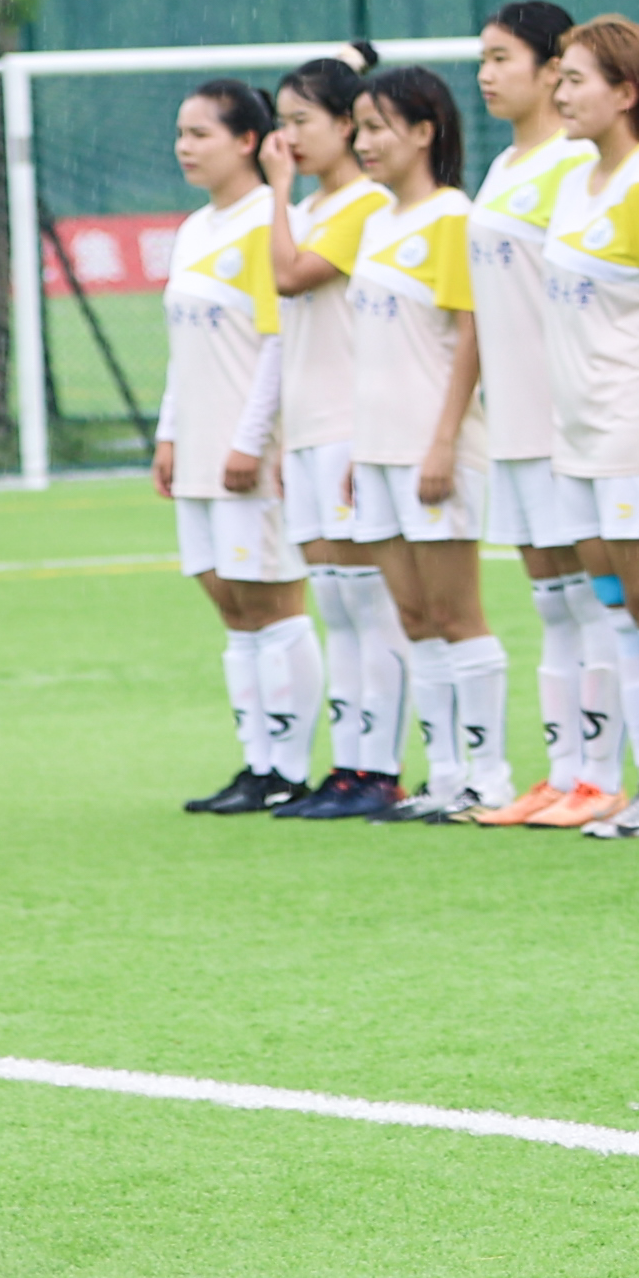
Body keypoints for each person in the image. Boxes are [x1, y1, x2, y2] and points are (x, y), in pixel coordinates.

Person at [543, 19, 639, 838]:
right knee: (614, 605)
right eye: (559, 78)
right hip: (576, 431)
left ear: (627, 92)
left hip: (638, 423)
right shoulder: (575, 181)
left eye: (575, 79)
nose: (559, 93)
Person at [341, 65, 514, 822]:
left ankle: (489, 776)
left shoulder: (452, 217)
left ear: (424, 131)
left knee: (455, 614)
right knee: (412, 618)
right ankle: (442, 776)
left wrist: (443, 440)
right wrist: (356, 449)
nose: (363, 142)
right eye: (359, 127)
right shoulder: (375, 223)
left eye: (378, 127)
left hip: (432, 451)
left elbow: (472, 333)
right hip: (375, 450)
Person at [464, 0, 614, 826]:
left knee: (594, 600)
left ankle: (602, 773)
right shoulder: (502, 167)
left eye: (501, 58)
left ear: (553, 69)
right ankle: (563, 772)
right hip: (512, 417)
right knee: (552, 602)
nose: (487, 74)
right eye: (481, 59)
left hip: (567, 414)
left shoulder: (570, 167)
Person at [246, 53, 404, 819]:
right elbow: (281, 331)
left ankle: (383, 765)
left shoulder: (366, 205)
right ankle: (347, 766)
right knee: (336, 604)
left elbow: (290, 276)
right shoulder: (306, 209)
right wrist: (277, 436)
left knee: (368, 603)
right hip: (308, 429)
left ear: (349, 125)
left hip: (352, 425)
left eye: (302, 121)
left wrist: (274, 190)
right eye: (280, 122)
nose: (286, 138)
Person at [155, 79, 309, 812]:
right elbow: (182, 343)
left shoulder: (268, 221)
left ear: (248, 140)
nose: (185, 147)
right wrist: (169, 433)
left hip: (249, 450)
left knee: (272, 603)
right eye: (181, 134)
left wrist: (252, 440)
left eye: (201, 134)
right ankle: (257, 762)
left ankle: (292, 766)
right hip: (197, 449)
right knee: (230, 606)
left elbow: (280, 345)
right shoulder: (193, 229)